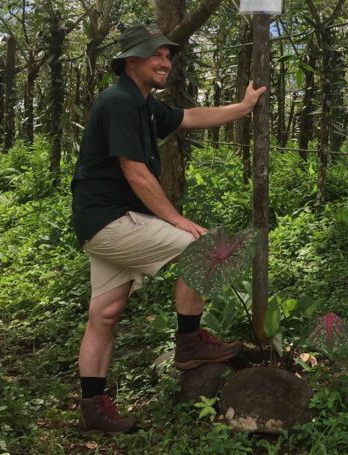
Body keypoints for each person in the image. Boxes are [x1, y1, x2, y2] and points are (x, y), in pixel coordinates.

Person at [71, 23, 266, 435]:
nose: (165, 62)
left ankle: (93, 410)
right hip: (112, 220)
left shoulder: (142, 103)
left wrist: (243, 107)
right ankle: (189, 342)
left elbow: (191, 116)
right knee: (206, 248)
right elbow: (137, 173)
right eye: (156, 55)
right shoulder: (119, 101)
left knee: (104, 315)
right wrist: (177, 220)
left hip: (102, 221)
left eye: (168, 55)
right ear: (130, 61)